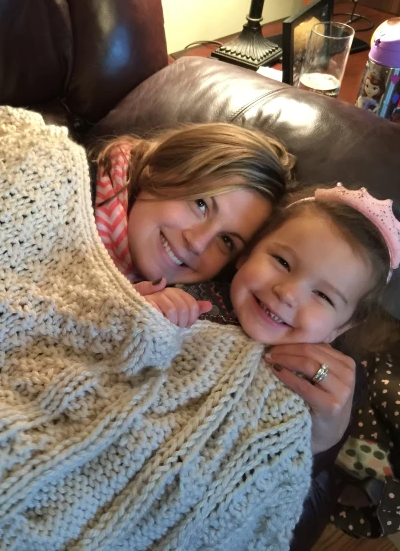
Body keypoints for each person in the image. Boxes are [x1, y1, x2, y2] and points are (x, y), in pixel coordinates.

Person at [92, 126, 360, 454]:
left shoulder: (213, 306)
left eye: (226, 241)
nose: (197, 242)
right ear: (157, 169)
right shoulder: (57, 189)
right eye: (201, 204)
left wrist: (325, 437)